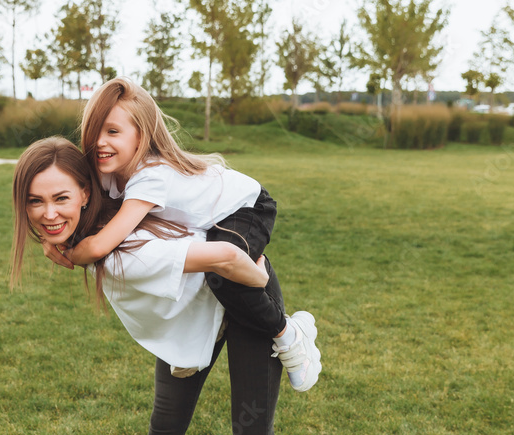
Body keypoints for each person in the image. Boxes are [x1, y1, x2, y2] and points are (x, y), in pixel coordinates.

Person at [10, 137, 323, 435]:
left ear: (87, 195)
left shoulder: (122, 251)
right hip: (186, 324)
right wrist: (74, 251)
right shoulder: (103, 220)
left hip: (239, 297)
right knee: (164, 434)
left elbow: (227, 261)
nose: (48, 212)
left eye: (60, 198)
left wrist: (261, 280)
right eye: (35, 200)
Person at [49, 77, 320, 391]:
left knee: (223, 278)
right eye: (94, 130)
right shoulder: (108, 171)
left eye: (112, 131)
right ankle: (198, 338)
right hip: (206, 221)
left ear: (141, 136)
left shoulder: (149, 178)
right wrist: (51, 238)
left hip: (245, 208)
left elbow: (99, 247)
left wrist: (66, 253)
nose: (99, 142)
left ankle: (289, 333)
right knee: (190, 265)